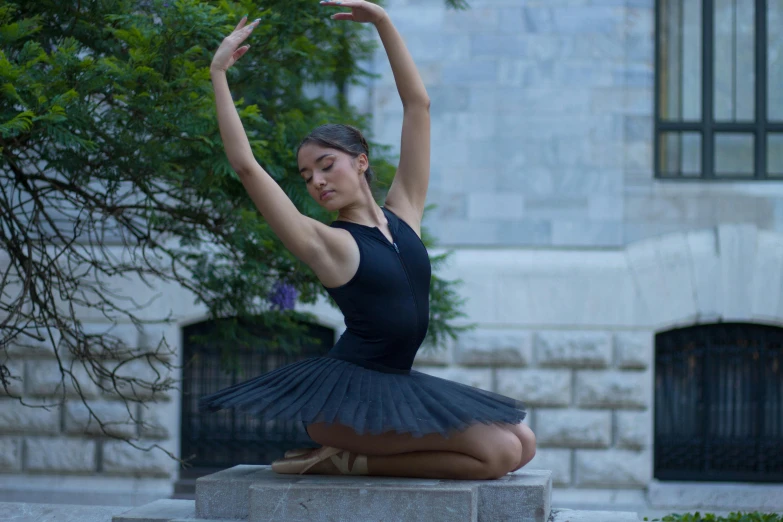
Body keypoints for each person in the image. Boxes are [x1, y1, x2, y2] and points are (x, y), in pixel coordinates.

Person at [201, 0, 536, 480]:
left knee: (524, 443)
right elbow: (247, 167)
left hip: (397, 386)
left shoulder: (405, 212)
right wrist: (219, 75)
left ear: (359, 161)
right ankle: (349, 459)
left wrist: (382, 21)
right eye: (306, 175)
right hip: (348, 404)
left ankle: (348, 458)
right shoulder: (329, 244)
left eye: (326, 164)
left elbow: (417, 106)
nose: (315, 181)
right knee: (499, 454)